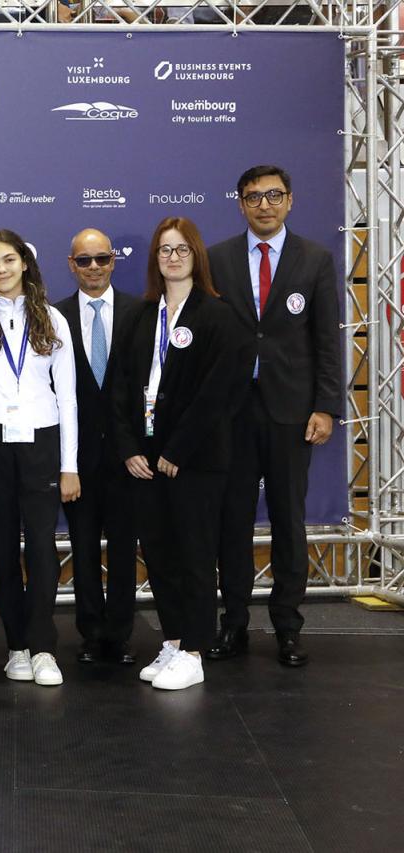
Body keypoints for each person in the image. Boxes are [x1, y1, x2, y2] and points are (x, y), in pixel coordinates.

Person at [208, 165, 342, 668]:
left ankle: (288, 626)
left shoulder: (315, 259)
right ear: (240, 203)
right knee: (233, 523)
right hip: (233, 414)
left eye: (273, 196)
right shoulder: (218, 259)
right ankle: (234, 624)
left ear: (290, 200)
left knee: (289, 521)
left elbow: (327, 340)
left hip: (293, 412)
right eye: (253, 197)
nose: (264, 205)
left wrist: (326, 406)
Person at [110, 217, 248, 690]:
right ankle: (172, 642)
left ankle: (195, 649)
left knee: (193, 554)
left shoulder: (217, 315)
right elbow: (120, 387)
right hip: (145, 459)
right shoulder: (141, 315)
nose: (172, 257)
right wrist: (129, 448)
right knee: (160, 554)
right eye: (164, 250)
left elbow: (218, 394)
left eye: (181, 249)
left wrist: (178, 449)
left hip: (194, 459)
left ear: (196, 256)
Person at [0, 229, 79, 687]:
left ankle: (44, 648)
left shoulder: (51, 319)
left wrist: (69, 464)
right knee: (0, 548)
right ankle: (16, 646)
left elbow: (68, 397)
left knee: (40, 546)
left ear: (26, 264)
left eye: (9, 260)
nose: (2, 270)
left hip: (41, 439)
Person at [53, 228, 141, 665]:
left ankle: (121, 633)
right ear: (71, 265)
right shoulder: (53, 317)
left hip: (129, 459)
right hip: (78, 459)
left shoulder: (140, 312)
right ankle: (91, 634)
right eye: (83, 261)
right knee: (84, 548)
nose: (93, 268)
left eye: (101, 259)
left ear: (113, 261)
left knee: (124, 549)